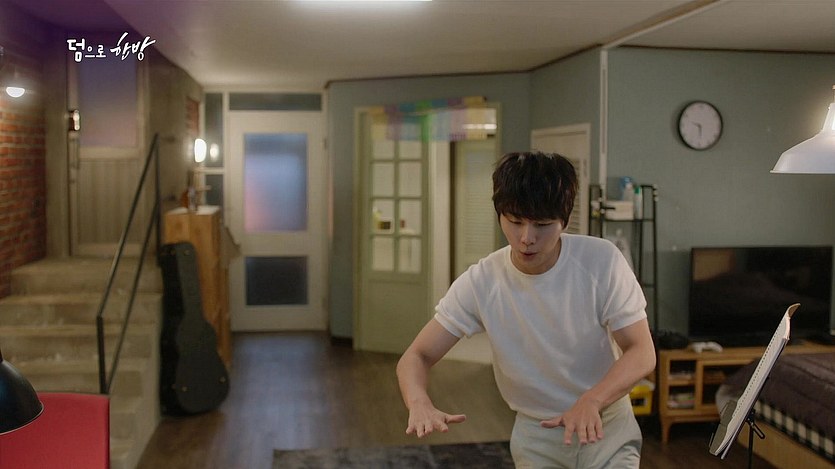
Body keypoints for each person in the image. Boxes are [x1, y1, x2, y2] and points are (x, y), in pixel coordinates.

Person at [396, 151, 656, 468]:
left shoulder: (601, 262)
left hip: (605, 424)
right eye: (515, 222)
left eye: (542, 225)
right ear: (500, 215)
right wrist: (418, 401)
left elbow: (642, 351)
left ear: (564, 221)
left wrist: (593, 399)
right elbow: (417, 355)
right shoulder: (482, 281)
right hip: (537, 435)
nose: (526, 238)